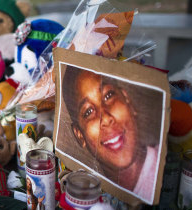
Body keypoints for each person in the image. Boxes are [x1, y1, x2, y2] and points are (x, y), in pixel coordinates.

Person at [61, 65, 158, 202]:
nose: (105, 118)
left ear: (127, 100)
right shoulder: (89, 193)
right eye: (88, 111)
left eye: (108, 95)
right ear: (80, 135)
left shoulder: (163, 175)